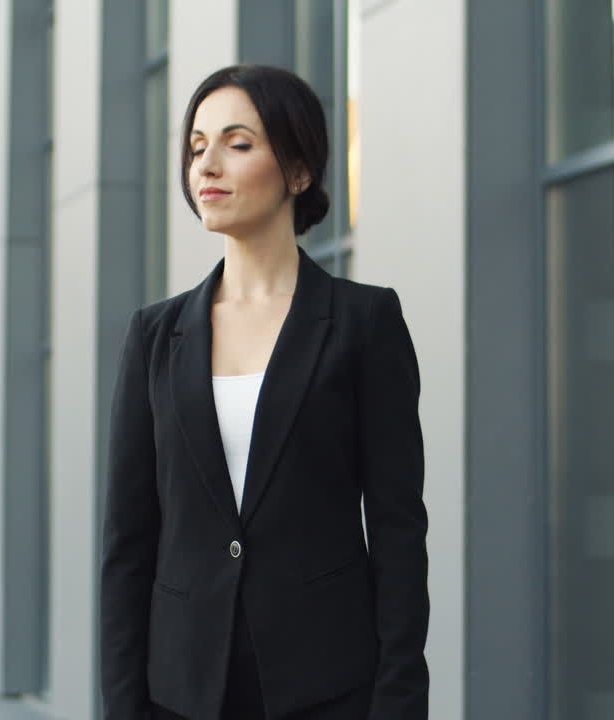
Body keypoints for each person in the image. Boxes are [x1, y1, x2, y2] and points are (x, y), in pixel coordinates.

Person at [101, 65, 430, 720]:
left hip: (328, 688)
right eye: (197, 147)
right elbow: (128, 543)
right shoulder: (154, 337)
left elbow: (398, 536)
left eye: (238, 143)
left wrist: (398, 703)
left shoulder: (364, 324)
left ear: (299, 170)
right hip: (182, 692)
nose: (208, 165)